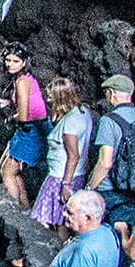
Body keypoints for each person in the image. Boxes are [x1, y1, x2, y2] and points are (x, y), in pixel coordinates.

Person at [85, 71, 135, 206]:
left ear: (112, 93)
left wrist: (89, 188)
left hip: (110, 189)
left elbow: (105, 163)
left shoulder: (108, 121)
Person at [31, 78, 93, 229]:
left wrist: (66, 184)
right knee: (62, 220)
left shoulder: (70, 122)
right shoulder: (83, 112)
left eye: (51, 96)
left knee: (43, 221)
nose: (48, 100)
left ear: (60, 98)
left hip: (61, 177)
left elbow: (74, 156)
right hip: (78, 174)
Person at [0, 49, 50, 207]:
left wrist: (10, 118)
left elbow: (24, 116)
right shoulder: (20, 78)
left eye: (15, 61)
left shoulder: (22, 82)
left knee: (7, 173)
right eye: (8, 60)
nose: (10, 64)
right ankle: (24, 207)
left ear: (24, 62)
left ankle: (13, 212)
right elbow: (27, 102)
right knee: (5, 168)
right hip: (28, 128)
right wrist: (6, 103)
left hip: (32, 129)